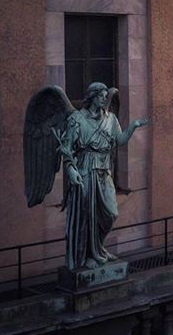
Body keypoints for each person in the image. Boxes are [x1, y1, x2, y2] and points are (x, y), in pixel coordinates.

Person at [57, 82, 148, 270]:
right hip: (85, 171)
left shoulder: (110, 119)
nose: (105, 99)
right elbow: (66, 149)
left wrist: (132, 127)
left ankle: (98, 248)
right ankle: (87, 255)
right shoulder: (77, 119)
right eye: (101, 95)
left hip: (104, 171)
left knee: (110, 213)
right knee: (87, 216)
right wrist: (71, 170)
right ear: (92, 96)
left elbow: (119, 140)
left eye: (106, 96)